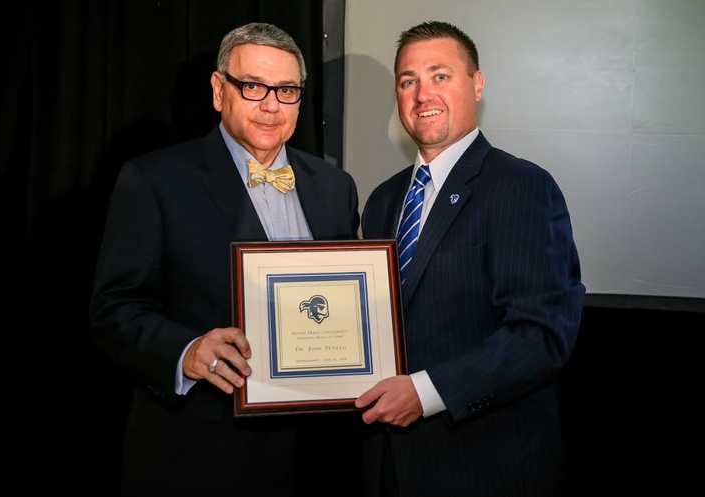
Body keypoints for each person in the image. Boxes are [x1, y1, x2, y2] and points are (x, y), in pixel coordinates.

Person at [90, 22, 359, 494]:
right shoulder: (155, 180)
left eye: (287, 90)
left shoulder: (335, 187)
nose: (272, 105)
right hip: (202, 457)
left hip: (316, 456)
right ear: (219, 91)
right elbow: (113, 309)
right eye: (253, 86)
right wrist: (186, 351)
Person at [355, 21, 585, 497]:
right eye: (407, 81)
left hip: (483, 468)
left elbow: (542, 335)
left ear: (477, 85)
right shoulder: (381, 201)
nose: (422, 94)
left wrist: (426, 392)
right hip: (386, 466)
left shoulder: (523, 187)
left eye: (440, 76)